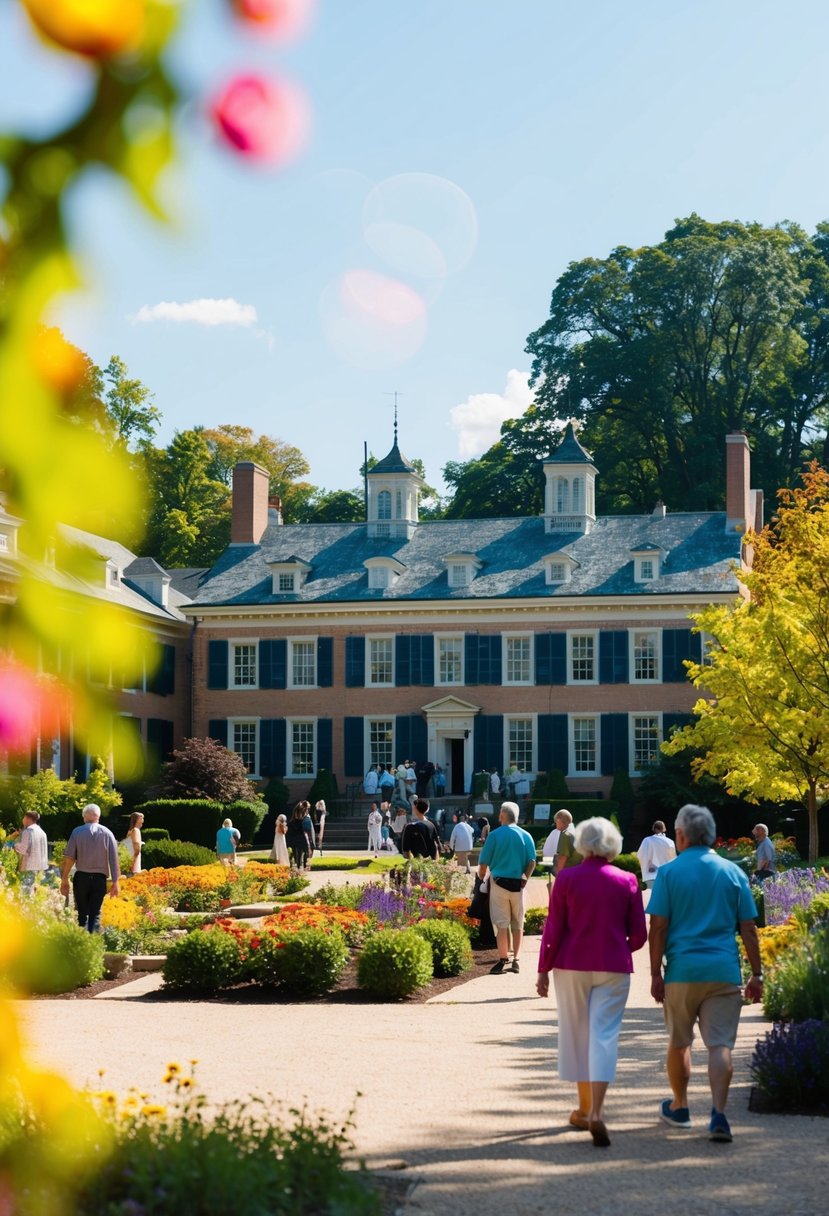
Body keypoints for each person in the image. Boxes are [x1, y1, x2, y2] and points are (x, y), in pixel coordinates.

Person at [648, 803, 763, 1144]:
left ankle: (680, 1107)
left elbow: (658, 928)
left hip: (682, 971)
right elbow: (749, 928)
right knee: (720, 1045)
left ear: (680, 835)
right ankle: (719, 1114)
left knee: (679, 1042)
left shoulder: (669, 874)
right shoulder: (733, 872)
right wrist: (757, 974)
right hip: (724, 971)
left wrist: (656, 973)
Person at [536, 817, 647, 1148]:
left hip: (571, 964)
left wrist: (543, 969)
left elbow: (553, 928)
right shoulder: (627, 880)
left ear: (582, 844)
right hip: (613, 965)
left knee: (577, 1033)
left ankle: (584, 1108)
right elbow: (639, 935)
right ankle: (597, 1111)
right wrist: (617, 948)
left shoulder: (567, 879)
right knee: (604, 1036)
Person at [477, 802, 536, 974]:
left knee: (501, 922)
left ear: (502, 815)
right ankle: (516, 959)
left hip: (499, 883)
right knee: (518, 922)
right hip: (518, 884)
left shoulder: (494, 835)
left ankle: (503, 958)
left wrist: (482, 877)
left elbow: (483, 863)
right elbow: (532, 861)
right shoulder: (526, 835)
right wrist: (524, 879)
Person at [60, 804, 120, 933]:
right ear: (98, 816)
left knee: (82, 912)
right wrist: (116, 882)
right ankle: (94, 942)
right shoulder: (108, 833)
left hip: (82, 877)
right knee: (95, 913)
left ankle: (83, 942)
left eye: (83, 815)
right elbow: (114, 860)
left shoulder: (77, 832)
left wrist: (64, 879)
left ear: (86, 816)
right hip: (99, 879)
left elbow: (69, 858)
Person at [11, 809, 49, 892]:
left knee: (26, 891)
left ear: (27, 818)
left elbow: (23, 849)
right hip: (39, 866)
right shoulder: (42, 832)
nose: (23, 820)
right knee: (33, 890)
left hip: (29, 866)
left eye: (24, 817)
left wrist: (14, 844)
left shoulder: (28, 831)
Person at [637, 820, 676, 889]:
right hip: (665, 875)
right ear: (664, 829)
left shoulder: (647, 840)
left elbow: (640, 855)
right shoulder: (670, 842)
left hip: (650, 875)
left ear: (654, 829)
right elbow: (673, 860)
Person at [286, 801, 315, 871]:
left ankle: (298, 867)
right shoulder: (304, 820)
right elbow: (307, 830)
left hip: (294, 838)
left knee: (296, 855)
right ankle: (301, 867)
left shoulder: (292, 822)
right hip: (301, 838)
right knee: (302, 853)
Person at [555, 810, 580, 874]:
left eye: (556, 822)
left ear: (559, 821)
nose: (556, 825)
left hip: (569, 873)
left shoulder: (565, 835)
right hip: (579, 871)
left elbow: (562, 857)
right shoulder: (576, 832)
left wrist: (558, 878)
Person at [122, 811, 144, 875]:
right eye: (142, 818)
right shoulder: (136, 830)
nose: (143, 820)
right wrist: (132, 862)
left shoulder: (130, 831)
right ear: (137, 820)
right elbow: (136, 846)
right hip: (133, 862)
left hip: (128, 859)